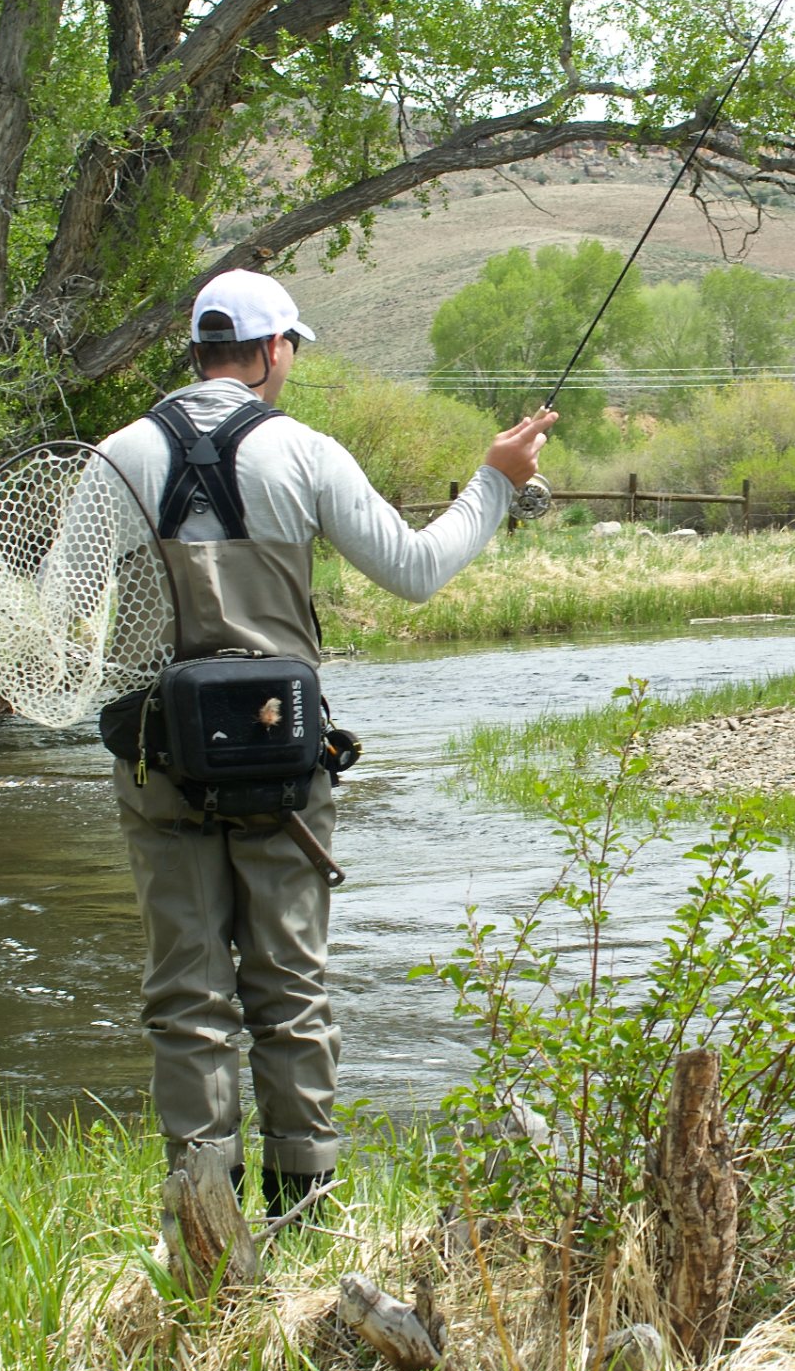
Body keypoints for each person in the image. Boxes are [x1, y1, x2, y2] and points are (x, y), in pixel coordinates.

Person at [96, 268, 553, 1220]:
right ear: (269, 352)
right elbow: (417, 570)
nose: (291, 362)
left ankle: (202, 1222)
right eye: (291, 347)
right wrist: (496, 486)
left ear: (198, 348)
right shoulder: (303, 452)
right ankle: (301, 1215)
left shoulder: (115, 457)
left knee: (184, 998)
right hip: (283, 767)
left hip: (158, 767)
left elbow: (57, 608)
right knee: (289, 993)